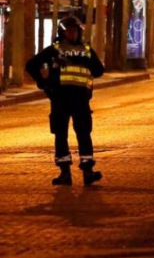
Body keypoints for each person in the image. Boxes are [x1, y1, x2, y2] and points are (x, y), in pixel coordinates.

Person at [25, 15, 105, 186]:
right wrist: (43, 82)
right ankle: (65, 173)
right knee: (61, 135)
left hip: (81, 100)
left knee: (84, 134)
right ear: (62, 32)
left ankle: (88, 171)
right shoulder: (55, 50)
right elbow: (31, 65)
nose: (73, 33)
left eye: (75, 31)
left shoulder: (86, 50)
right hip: (60, 99)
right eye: (69, 31)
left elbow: (99, 71)